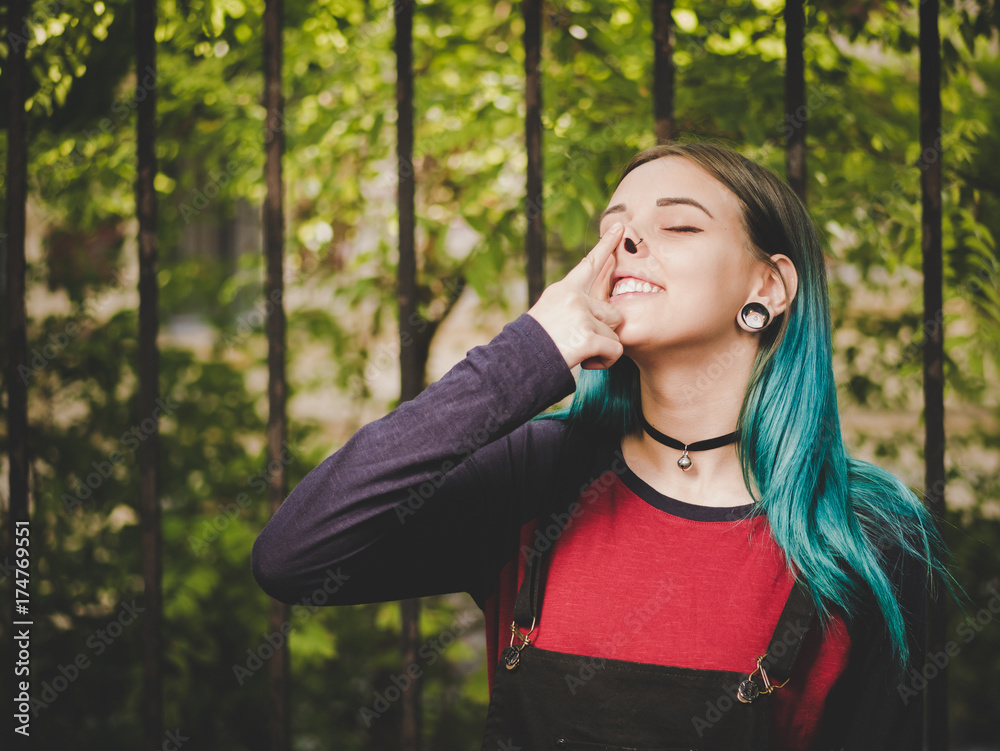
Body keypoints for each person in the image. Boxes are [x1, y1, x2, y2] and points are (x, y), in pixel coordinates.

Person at [251, 142, 957, 750]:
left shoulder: (870, 537)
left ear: (768, 287)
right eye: (611, 228)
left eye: (678, 224)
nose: (625, 242)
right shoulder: (536, 476)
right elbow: (293, 556)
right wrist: (525, 358)